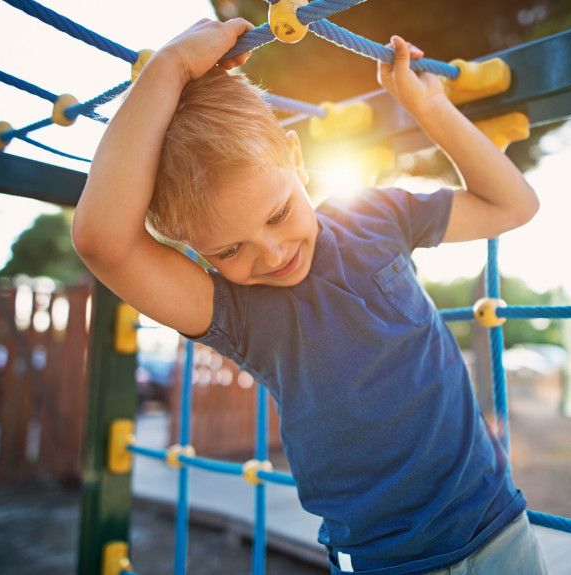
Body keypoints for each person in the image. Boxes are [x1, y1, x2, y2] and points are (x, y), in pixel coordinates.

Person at [72, 18, 546, 575]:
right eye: (228, 252)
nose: (271, 255)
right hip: (385, 561)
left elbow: (512, 205)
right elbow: (103, 241)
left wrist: (430, 108)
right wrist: (168, 67)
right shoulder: (238, 312)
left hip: (497, 524)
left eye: (277, 213)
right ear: (195, 253)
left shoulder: (376, 216)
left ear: (296, 159)